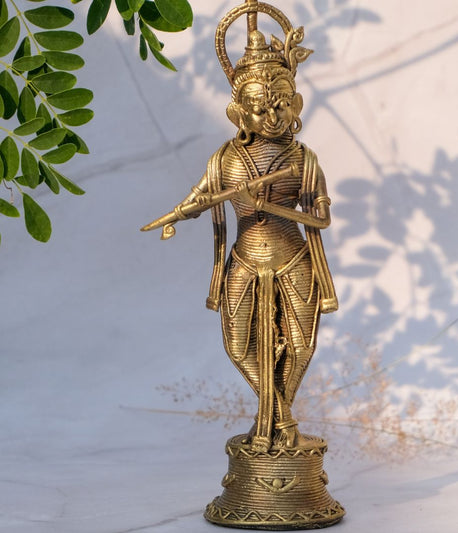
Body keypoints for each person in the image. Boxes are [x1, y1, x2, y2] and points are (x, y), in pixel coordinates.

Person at [146, 24, 337, 452]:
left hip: (294, 257)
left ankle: (274, 422)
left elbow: (321, 219)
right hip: (245, 260)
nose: (272, 117)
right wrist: (181, 212)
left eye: (281, 105)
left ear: (296, 105)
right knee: (237, 347)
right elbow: (200, 197)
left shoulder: (303, 160)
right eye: (259, 108)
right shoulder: (225, 159)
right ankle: (282, 417)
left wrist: (265, 205)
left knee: (301, 347)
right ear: (237, 114)